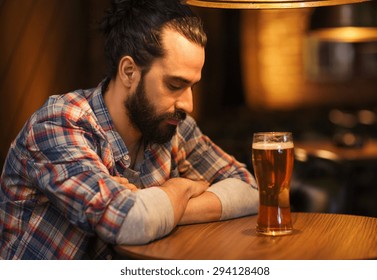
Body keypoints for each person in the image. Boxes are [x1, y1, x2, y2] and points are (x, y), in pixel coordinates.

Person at [0, 0, 258, 260]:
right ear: (129, 72)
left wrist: (159, 206)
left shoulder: (174, 127)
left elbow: (250, 190)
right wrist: (179, 188)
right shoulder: (58, 123)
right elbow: (129, 222)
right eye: (174, 84)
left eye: (192, 86)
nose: (188, 104)